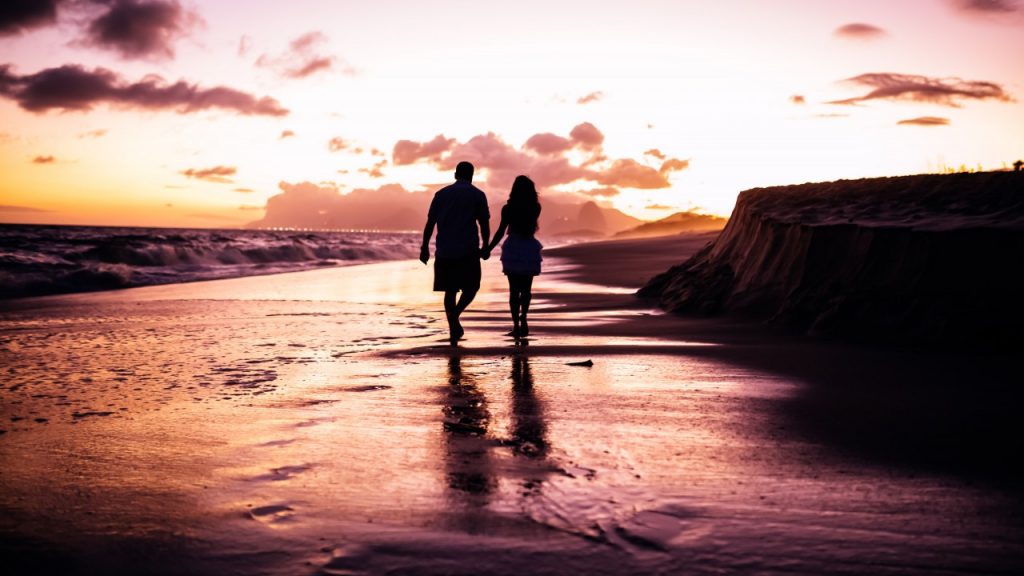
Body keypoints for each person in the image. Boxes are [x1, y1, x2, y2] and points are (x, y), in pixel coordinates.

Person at [420, 161, 490, 345]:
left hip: (445, 249)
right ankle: (456, 315)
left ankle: (453, 321)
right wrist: (486, 245)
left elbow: (430, 223)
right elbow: (484, 223)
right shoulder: (477, 195)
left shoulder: (441, 194)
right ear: (471, 176)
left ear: (455, 174)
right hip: (468, 249)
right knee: (472, 287)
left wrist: (424, 247)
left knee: (450, 290)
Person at [484, 175, 542, 338]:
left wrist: (488, 248)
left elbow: (501, 231)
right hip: (530, 246)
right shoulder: (536, 207)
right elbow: (530, 224)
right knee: (526, 290)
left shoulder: (508, 209)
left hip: (514, 246)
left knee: (514, 290)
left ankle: (516, 325)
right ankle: (524, 319)